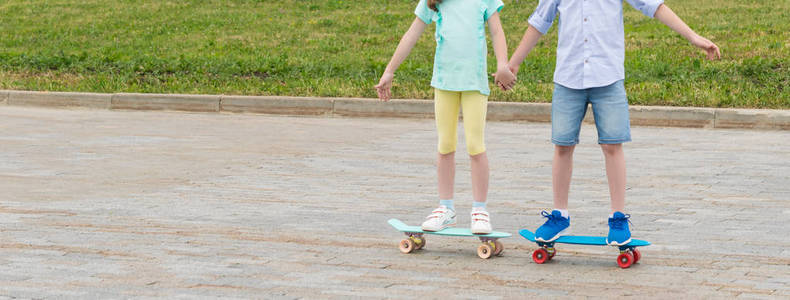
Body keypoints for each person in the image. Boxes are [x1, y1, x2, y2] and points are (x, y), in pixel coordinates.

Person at [506, 0, 720, 245]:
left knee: (612, 145)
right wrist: (514, 63)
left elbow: (654, 6)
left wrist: (692, 36)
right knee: (562, 146)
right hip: (568, 78)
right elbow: (539, 22)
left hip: (608, 77)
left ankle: (618, 218)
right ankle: (559, 216)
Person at [375, 0, 516, 234]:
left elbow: (497, 30)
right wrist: (389, 70)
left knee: (475, 146)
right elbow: (412, 33)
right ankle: (445, 208)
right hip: (444, 84)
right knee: (445, 145)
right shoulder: (433, 1)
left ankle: (480, 210)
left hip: (474, 84)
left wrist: (503, 64)